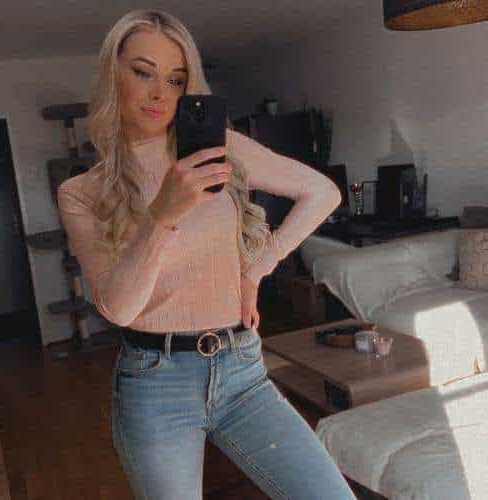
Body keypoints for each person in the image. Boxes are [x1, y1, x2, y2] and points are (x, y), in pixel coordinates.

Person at [57, 9, 357, 500]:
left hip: (242, 369)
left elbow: (323, 192)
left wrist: (260, 267)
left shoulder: (221, 150)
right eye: (143, 72)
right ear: (113, 73)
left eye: (175, 80)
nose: (159, 93)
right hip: (156, 384)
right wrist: (161, 216)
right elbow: (118, 308)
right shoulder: (81, 192)